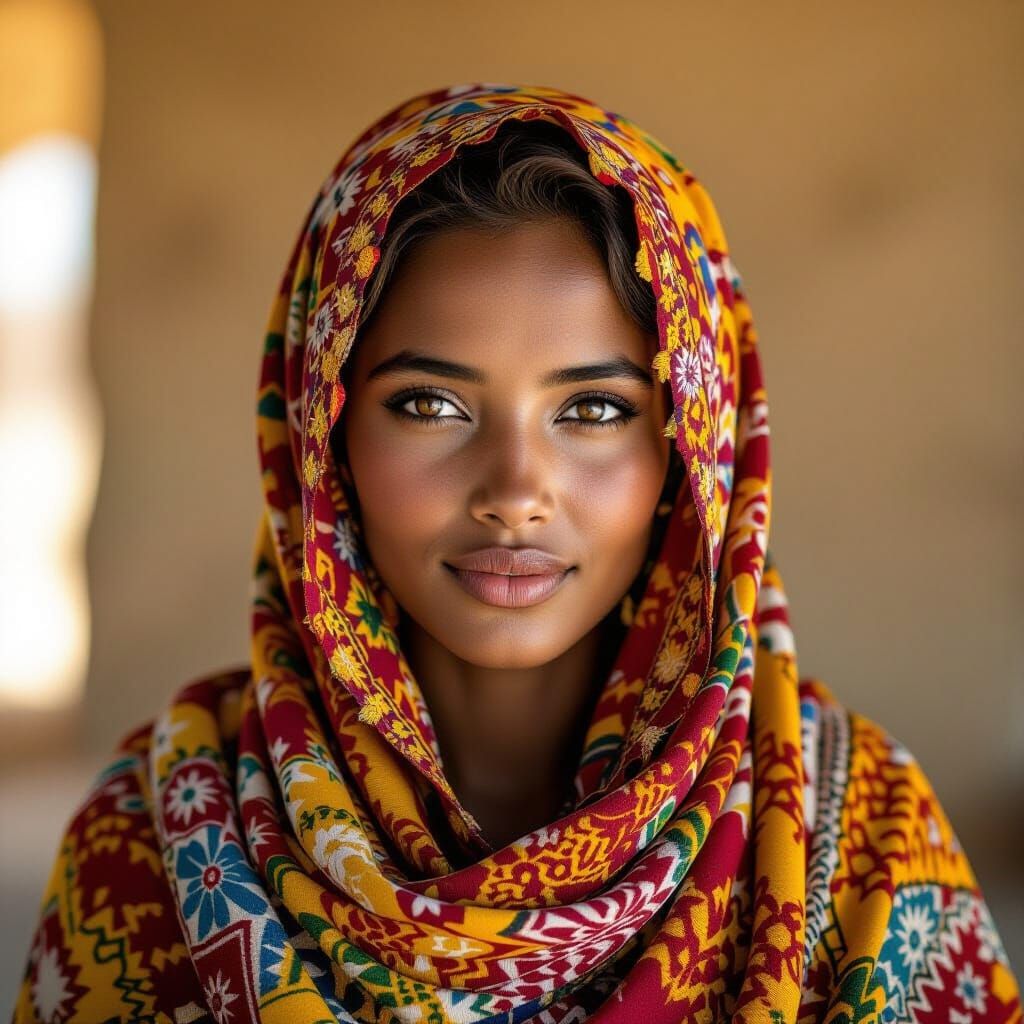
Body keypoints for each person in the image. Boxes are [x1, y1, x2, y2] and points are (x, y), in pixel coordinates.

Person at [13, 82, 1021, 1024]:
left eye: (592, 409)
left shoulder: (854, 834)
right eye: (429, 403)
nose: (513, 491)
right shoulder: (160, 832)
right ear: (321, 440)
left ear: (691, 452)